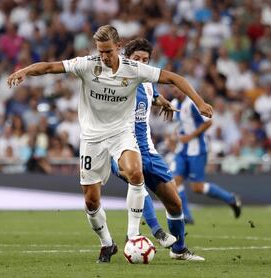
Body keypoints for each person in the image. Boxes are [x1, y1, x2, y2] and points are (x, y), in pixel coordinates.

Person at [7, 25, 213, 263]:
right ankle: (107, 243)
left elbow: (175, 79)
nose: (104, 56)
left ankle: (134, 235)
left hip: (121, 134)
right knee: (91, 201)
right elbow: (51, 67)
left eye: (108, 51)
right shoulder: (87, 64)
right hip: (92, 139)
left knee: (136, 173)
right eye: (100, 51)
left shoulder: (135, 70)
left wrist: (199, 102)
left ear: (118, 47)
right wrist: (25, 71)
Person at [111, 38, 205, 261]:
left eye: (145, 60)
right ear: (126, 58)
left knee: (174, 202)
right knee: (137, 181)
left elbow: (152, 94)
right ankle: (157, 232)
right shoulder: (115, 79)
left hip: (148, 150)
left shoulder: (146, 80)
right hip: (121, 148)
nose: (141, 63)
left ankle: (179, 250)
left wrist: (162, 101)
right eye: (137, 59)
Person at [170, 86, 241, 224]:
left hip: (197, 149)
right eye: (173, 88)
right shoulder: (173, 104)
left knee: (197, 187)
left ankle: (230, 199)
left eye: (178, 88)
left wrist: (190, 136)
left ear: (184, 89)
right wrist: (173, 136)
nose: (175, 90)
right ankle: (186, 215)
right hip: (182, 149)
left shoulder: (192, 104)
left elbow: (209, 122)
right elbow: (180, 124)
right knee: (175, 180)